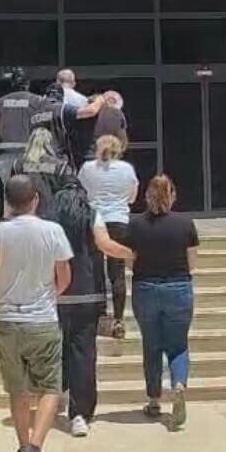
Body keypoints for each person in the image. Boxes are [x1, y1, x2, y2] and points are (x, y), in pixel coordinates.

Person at [0, 175, 72, 452]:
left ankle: (24, 448)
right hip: (42, 318)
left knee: (17, 388)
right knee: (50, 387)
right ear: (35, 199)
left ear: (8, 202)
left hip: (9, 318)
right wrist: (48, 296)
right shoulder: (53, 231)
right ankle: (34, 449)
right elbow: (64, 277)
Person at [49, 180, 134, 438]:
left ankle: (60, 393)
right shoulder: (92, 215)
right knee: (84, 353)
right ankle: (80, 413)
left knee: (60, 349)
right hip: (87, 294)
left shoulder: (49, 219)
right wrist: (133, 254)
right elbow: (105, 245)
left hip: (56, 294)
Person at [124, 174, 198, 431]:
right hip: (179, 288)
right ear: (172, 195)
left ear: (147, 196)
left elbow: (130, 261)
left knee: (151, 345)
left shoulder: (135, 225)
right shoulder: (185, 223)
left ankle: (154, 400)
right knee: (178, 345)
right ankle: (179, 384)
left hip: (145, 288)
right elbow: (191, 263)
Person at [78, 135, 138, 339]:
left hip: (95, 220)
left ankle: (99, 315)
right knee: (117, 272)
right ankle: (118, 319)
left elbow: (81, 193)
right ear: (119, 149)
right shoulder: (127, 169)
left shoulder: (87, 168)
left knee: (95, 270)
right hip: (119, 220)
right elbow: (132, 197)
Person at [0, 68, 41, 207]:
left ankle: (9, 216)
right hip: (28, 153)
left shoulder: (1, 101)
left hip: (5, 152)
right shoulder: (36, 100)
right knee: (29, 189)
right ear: (27, 84)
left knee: (8, 191)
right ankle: (29, 216)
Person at [30, 82, 104, 170]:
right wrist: (100, 100)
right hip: (58, 163)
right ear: (61, 97)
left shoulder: (34, 113)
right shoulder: (61, 109)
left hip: (36, 162)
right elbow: (90, 111)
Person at [82, 91, 128, 163]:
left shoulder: (82, 112)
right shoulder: (117, 114)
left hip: (86, 155)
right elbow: (123, 141)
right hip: (109, 156)